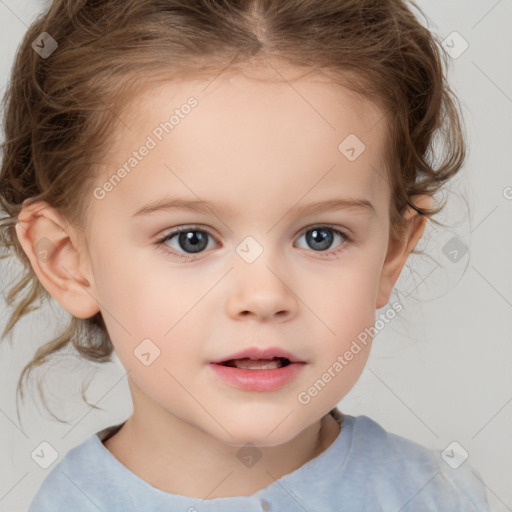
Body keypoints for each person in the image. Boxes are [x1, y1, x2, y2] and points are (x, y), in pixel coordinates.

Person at [0, 0, 490, 510]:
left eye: (321, 236)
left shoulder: (437, 496)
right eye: (191, 239)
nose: (263, 296)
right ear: (67, 260)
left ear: (392, 253)